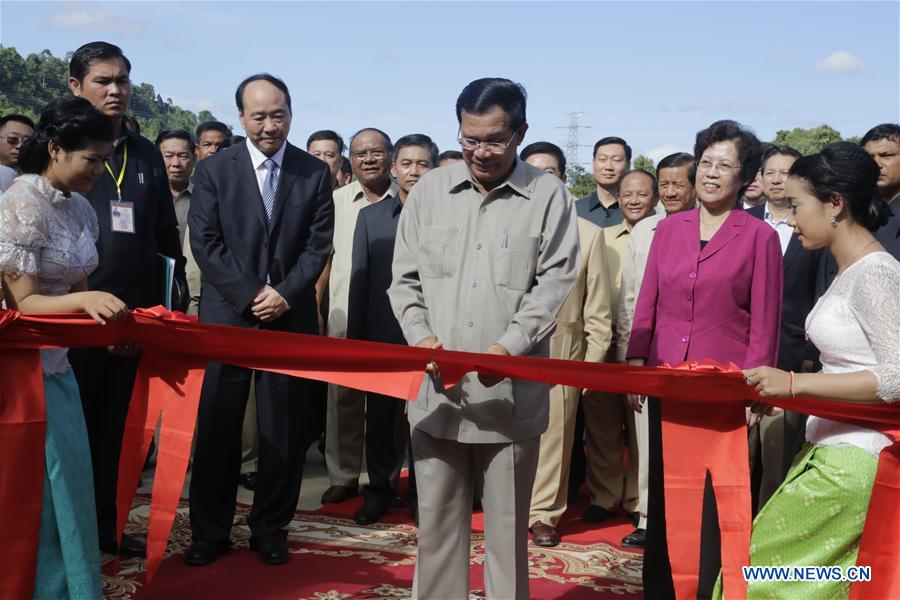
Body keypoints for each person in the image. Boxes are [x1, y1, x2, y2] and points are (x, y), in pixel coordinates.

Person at [389, 77, 579, 599]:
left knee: (506, 535)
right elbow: (403, 280)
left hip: (509, 398)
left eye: (494, 139)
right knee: (438, 532)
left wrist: (509, 347)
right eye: (470, 139)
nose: (481, 152)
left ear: (520, 132)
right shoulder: (428, 192)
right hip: (436, 395)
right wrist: (421, 336)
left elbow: (554, 284)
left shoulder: (550, 197)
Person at [720, 142, 899, 599]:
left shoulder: (876, 274)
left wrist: (796, 384)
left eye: (797, 205)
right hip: (833, 452)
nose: (791, 218)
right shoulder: (851, 270)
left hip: (854, 462)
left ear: (835, 204)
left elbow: (898, 376)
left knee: (754, 579)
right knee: (822, 587)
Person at [627, 120, 782, 599]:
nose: (712, 174)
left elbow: (765, 318)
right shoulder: (669, 229)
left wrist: (754, 387)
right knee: (668, 490)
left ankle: (710, 588)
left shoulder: (759, 237)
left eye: (726, 166)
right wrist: (636, 361)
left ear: (745, 177)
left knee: (716, 498)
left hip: (724, 385)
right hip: (667, 379)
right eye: (707, 163)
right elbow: (647, 300)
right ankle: (661, 588)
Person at [185, 73, 334, 567]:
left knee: (283, 433)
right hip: (228, 318)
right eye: (258, 115)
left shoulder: (312, 172)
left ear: (291, 112)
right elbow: (205, 244)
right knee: (218, 429)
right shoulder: (214, 171)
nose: (269, 125)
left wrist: (285, 294)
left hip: (288, 320)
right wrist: (251, 294)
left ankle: (271, 527)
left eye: (278, 114)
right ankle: (210, 531)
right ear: (241, 118)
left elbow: (317, 246)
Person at [0, 96, 126, 599]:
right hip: (19, 375)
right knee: (35, 488)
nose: (99, 170)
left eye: (104, 159)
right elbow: (24, 302)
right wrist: (88, 299)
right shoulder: (17, 205)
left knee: (70, 481)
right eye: (91, 159)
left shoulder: (79, 208)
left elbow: (76, 286)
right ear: (55, 149)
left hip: (59, 365)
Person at [66, 41, 186, 558]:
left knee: (121, 432)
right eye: (102, 81)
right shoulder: (59, 147)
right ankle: (67, 531)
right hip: (70, 318)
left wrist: (161, 310)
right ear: (75, 86)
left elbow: (164, 238)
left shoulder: (144, 154)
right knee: (71, 431)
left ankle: (109, 526)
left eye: (122, 80)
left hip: (132, 319)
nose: (116, 91)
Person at [520, 141, 613, 547]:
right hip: (505, 348)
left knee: (554, 439)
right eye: (534, 171)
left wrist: (588, 367)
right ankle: (507, 504)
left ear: (563, 177)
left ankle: (544, 514)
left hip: (562, 350)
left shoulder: (589, 234)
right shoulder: (508, 221)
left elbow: (599, 310)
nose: (543, 178)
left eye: (551, 172)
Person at [346, 133, 438, 525]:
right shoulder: (370, 218)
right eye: (406, 163)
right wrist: (357, 345)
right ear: (394, 167)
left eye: (423, 164)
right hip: (383, 337)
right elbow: (360, 282)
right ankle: (379, 491)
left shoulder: (448, 217)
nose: (414, 171)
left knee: (427, 422)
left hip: (432, 338)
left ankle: (423, 496)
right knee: (380, 422)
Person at [616, 151, 698, 548]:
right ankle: (649, 516)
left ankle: (692, 517)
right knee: (648, 443)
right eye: (663, 185)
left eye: (677, 184)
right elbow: (631, 297)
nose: (669, 192)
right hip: (651, 352)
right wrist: (630, 355)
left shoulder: (713, 227)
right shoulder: (644, 230)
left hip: (701, 357)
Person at [321, 127, 398, 505]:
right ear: (349, 159)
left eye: (376, 152)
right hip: (343, 313)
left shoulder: (409, 202)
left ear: (391, 157)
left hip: (393, 319)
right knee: (343, 400)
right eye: (359, 153)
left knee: (391, 404)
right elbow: (323, 259)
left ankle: (387, 477)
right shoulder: (335, 202)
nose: (368, 159)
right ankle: (343, 474)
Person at [746, 145, 823, 510]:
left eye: (785, 172)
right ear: (759, 177)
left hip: (791, 362)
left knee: (777, 462)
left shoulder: (814, 230)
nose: (777, 179)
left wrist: (810, 355)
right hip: (741, 360)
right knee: (737, 462)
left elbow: (821, 293)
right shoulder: (740, 223)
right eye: (770, 172)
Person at [582, 168, 658, 527]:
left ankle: (637, 500)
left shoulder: (662, 234)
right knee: (603, 426)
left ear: (655, 197)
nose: (633, 200)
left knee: (640, 427)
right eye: (627, 194)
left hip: (641, 348)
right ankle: (604, 495)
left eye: (642, 194)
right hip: (602, 342)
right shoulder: (602, 237)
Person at [576, 136, 631, 227]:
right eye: (602, 159)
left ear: (628, 166)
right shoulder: (574, 210)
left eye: (616, 160)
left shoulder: (636, 210)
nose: (608, 167)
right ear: (593, 164)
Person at [156, 129, 195, 246]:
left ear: (194, 159)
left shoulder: (205, 197)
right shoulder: (146, 196)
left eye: (183, 156)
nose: (176, 163)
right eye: (168, 156)